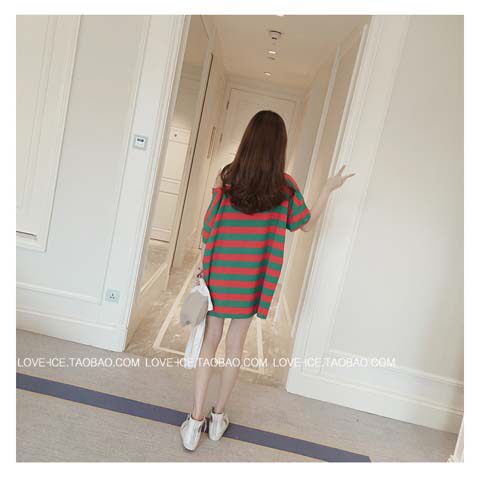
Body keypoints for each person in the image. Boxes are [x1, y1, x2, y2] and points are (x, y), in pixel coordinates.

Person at [180, 110, 354, 451]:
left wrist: (202, 259)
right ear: (280, 147)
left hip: (220, 272)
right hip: (252, 278)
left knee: (210, 342)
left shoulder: (227, 176)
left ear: (248, 139)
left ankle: (195, 422)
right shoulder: (284, 187)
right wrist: (328, 189)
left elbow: (209, 226)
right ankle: (217, 419)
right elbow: (306, 224)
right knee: (235, 346)